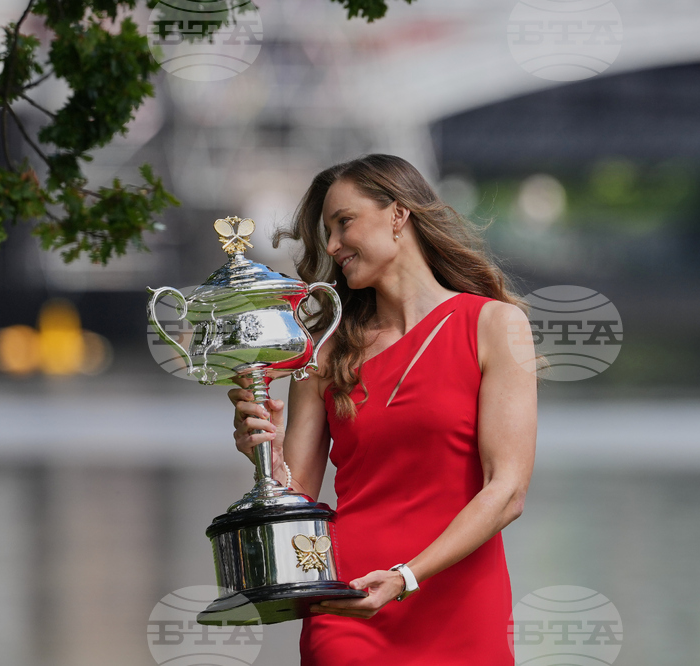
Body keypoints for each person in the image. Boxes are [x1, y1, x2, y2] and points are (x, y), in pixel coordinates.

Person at [228, 154, 538, 664]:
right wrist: (266, 452)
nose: (331, 246)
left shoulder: (495, 326)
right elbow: (298, 495)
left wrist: (405, 577)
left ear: (398, 214)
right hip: (348, 604)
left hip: (460, 607)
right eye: (325, 232)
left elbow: (506, 491)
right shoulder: (322, 351)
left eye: (343, 223)